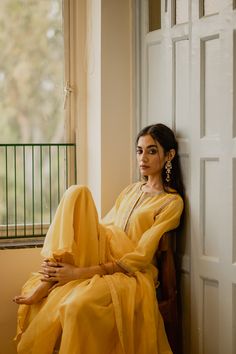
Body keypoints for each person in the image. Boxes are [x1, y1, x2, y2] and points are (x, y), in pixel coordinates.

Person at [13, 123, 184, 354]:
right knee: (77, 191)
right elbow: (105, 226)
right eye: (139, 150)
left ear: (169, 155)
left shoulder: (171, 202)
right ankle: (50, 275)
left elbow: (142, 255)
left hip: (130, 272)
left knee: (75, 306)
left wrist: (79, 273)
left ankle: (53, 279)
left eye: (152, 151)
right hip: (107, 250)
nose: (143, 157)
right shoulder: (131, 190)